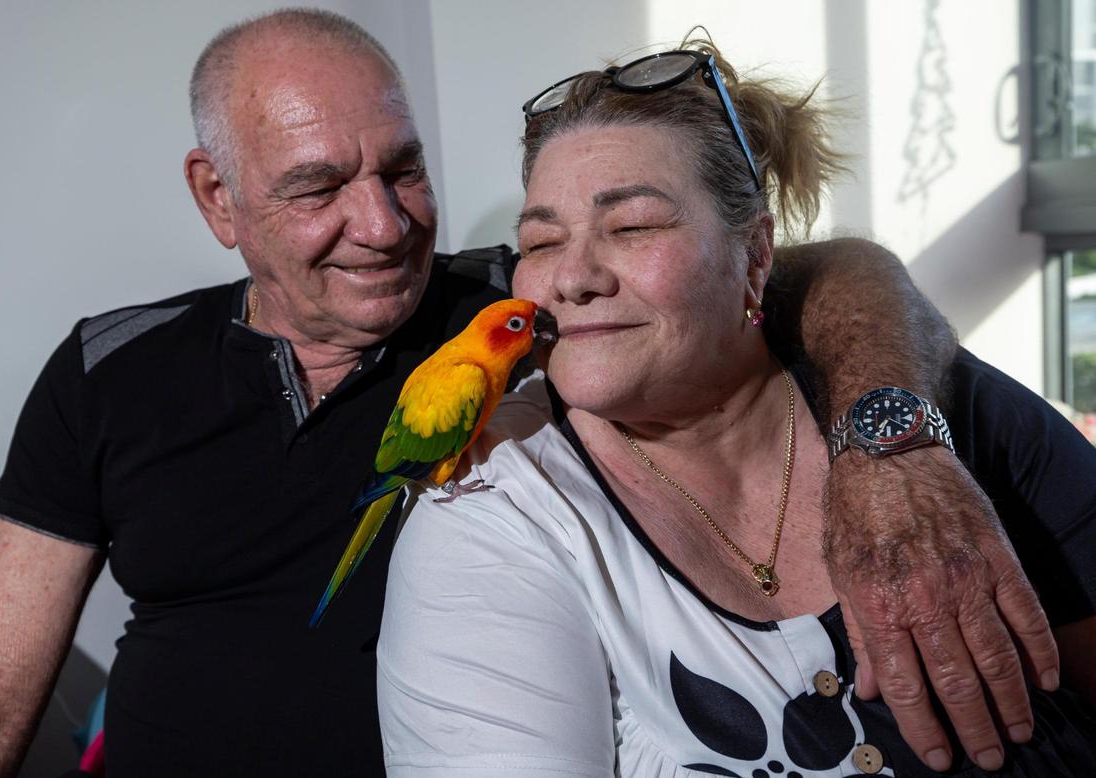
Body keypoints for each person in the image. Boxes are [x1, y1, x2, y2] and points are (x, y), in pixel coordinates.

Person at [0, 10, 1059, 777]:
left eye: (402, 167)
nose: (385, 224)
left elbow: (827, 270)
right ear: (218, 198)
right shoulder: (109, 368)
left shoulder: (524, 308)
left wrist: (888, 441)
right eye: (317, 186)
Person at [377, 38, 1096, 777]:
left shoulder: (932, 408)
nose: (574, 276)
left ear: (755, 257)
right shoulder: (499, 513)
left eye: (632, 227)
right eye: (540, 239)